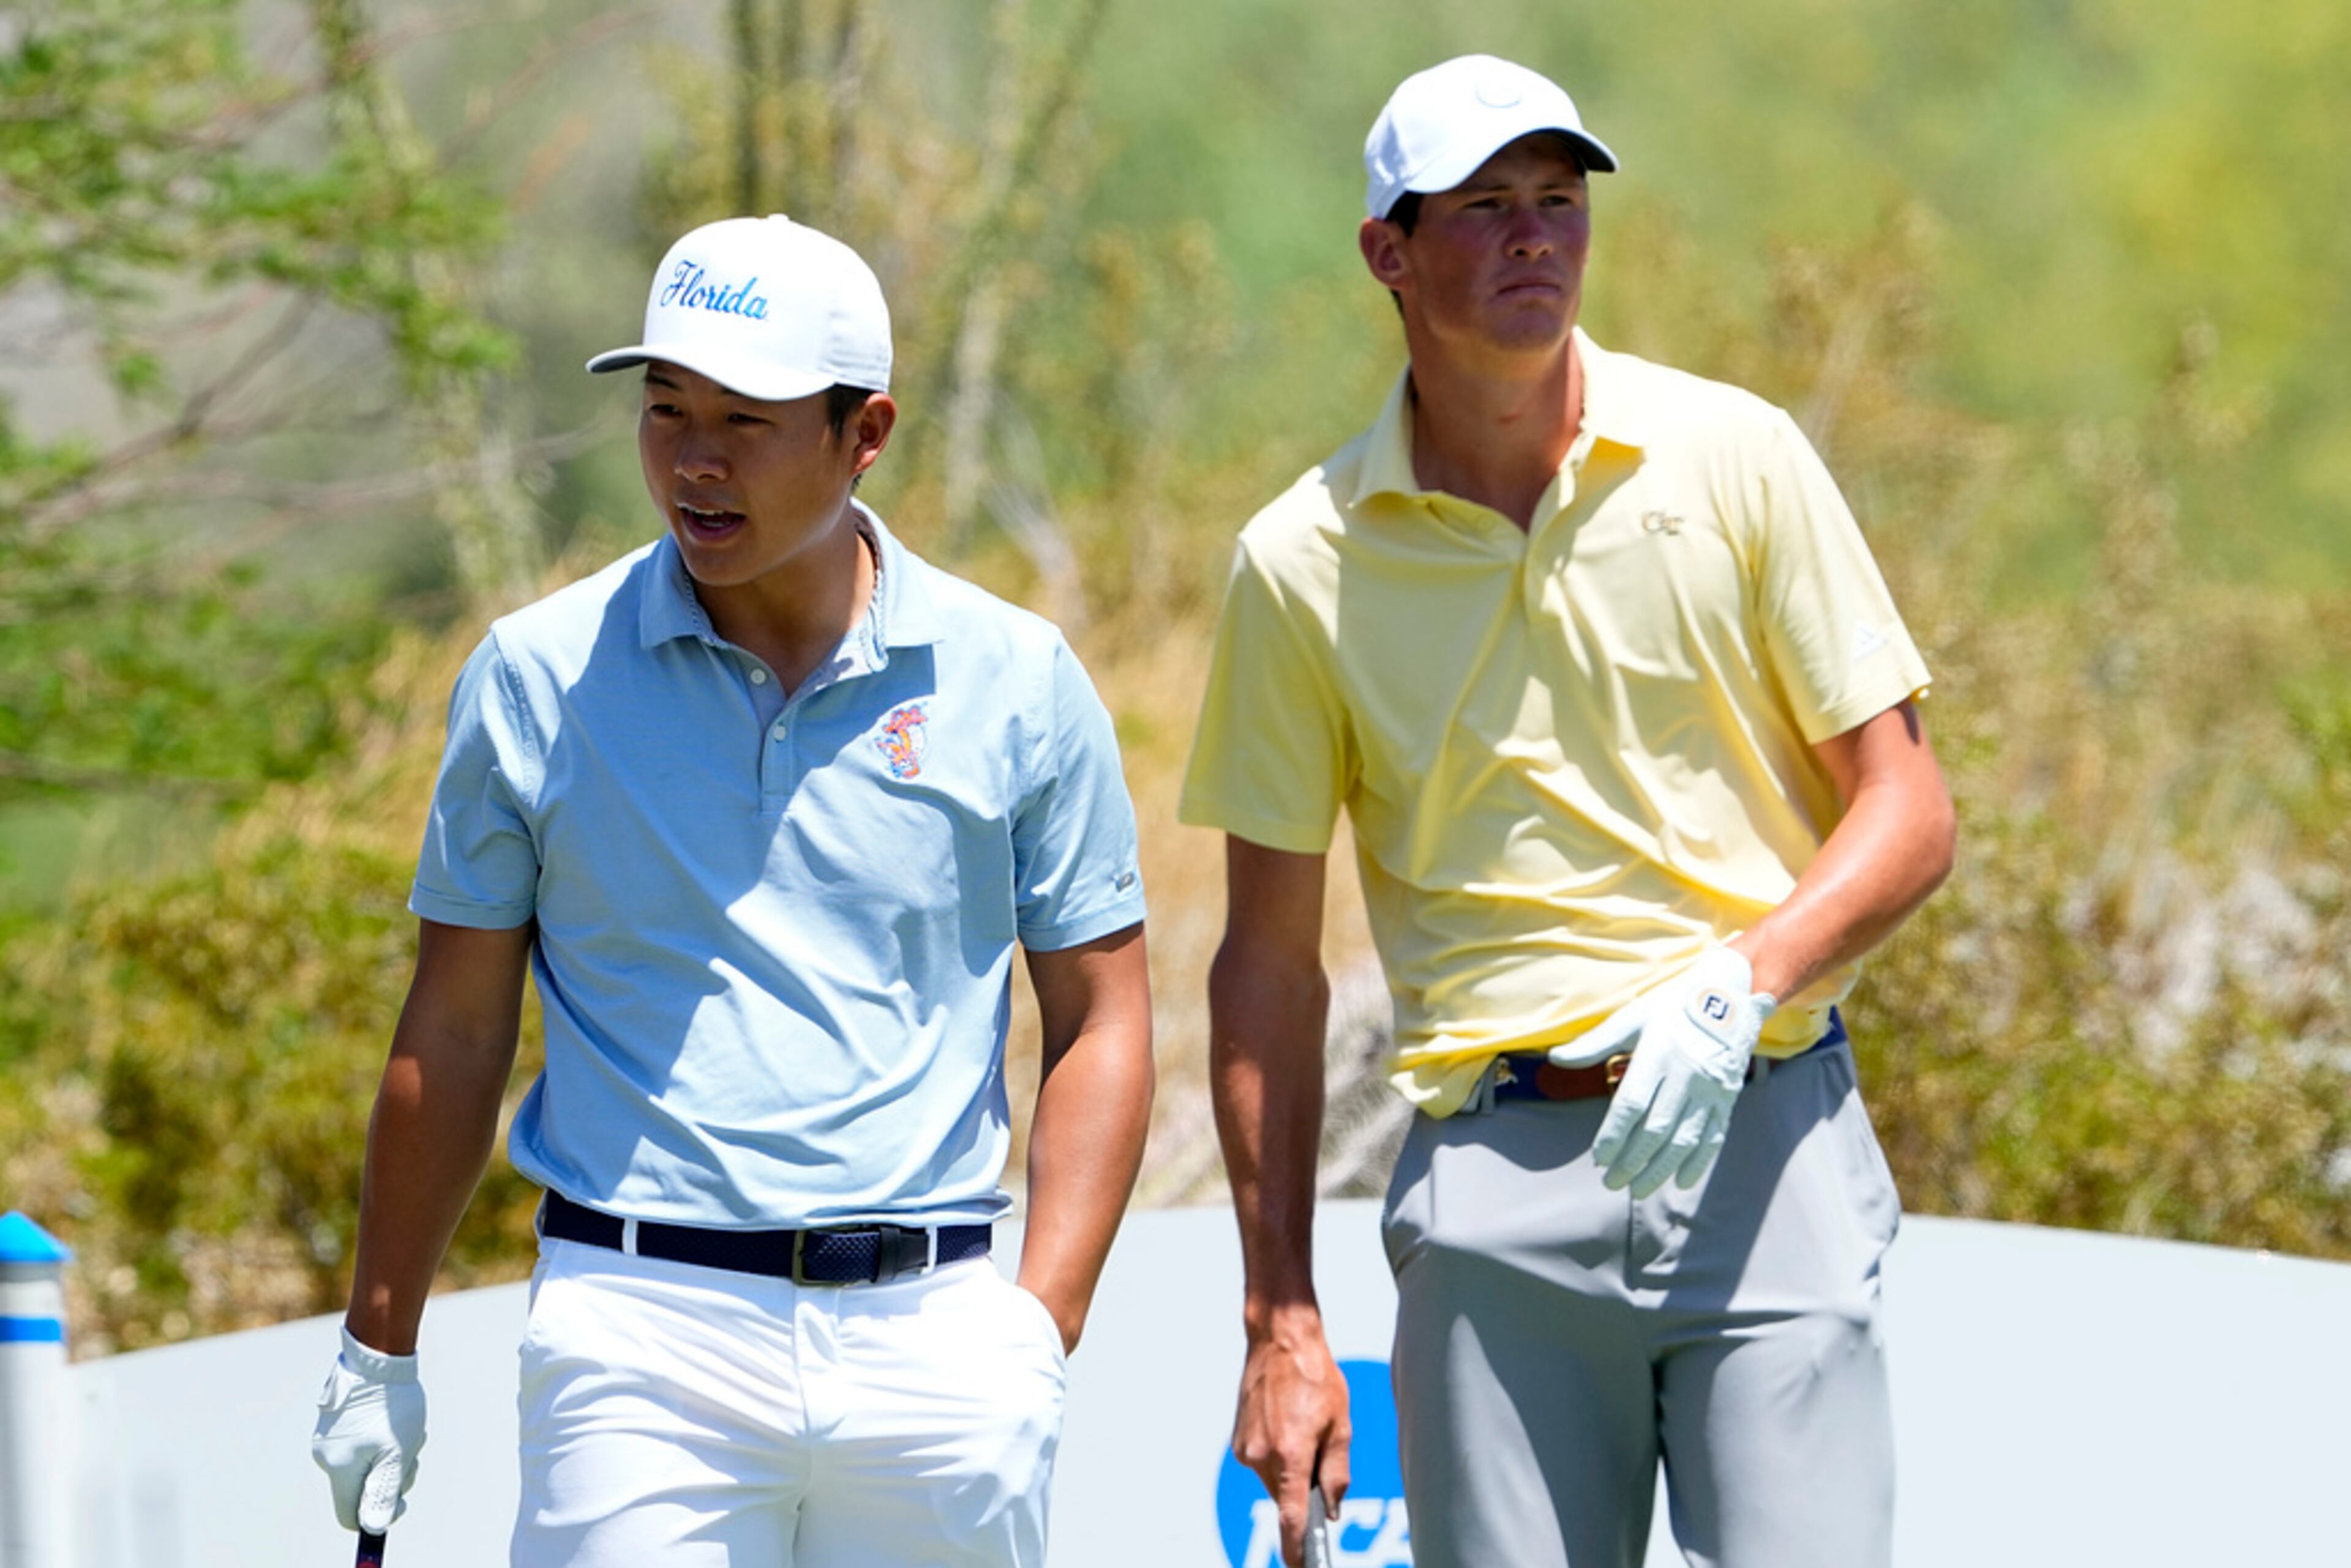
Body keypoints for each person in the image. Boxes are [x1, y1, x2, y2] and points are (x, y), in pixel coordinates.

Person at [1182, 54, 1955, 1568]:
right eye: (1486, 208)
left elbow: (1909, 806)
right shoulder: (1300, 561)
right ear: (1387, 254)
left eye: (1558, 200)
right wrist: (1281, 1314)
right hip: (1492, 1184)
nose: (1536, 235)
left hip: (1764, 1143)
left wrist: (1747, 981)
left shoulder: (1735, 458)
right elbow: (1267, 962)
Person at [310, 214, 1153, 1567]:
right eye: (664, 412)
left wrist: (1034, 1327)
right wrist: (378, 1346)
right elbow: (456, 1030)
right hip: (641, 1336)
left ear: (864, 433)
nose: (693, 461)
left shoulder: (1018, 677)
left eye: (745, 421)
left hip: (937, 1344)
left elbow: (1104, 1016)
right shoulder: (536, 676)